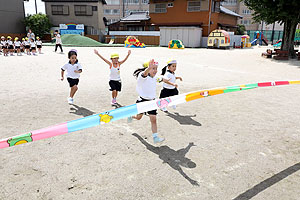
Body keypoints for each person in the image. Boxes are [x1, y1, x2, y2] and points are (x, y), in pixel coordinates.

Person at [128, 60, 169, 144]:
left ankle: (155, 137)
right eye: (153, 68)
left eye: (156, 68)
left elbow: (161, 78)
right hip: (142, 101)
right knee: (139, 117)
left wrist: (169, 81)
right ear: (147, 69)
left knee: (153, 119)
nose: (155, 70)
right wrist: (148, 68)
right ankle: (131, 116)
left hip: (152, 102)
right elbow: (144, 74)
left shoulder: (154, 78)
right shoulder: (142, 77)